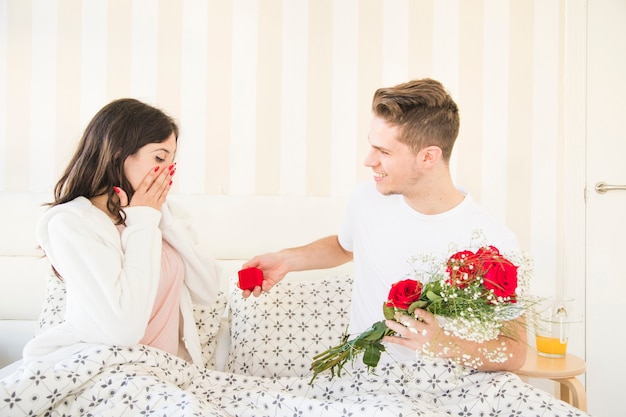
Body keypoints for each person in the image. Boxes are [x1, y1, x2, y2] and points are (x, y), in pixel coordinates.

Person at [242, 78, 527, 371]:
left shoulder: (492, 240)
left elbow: (516, 353)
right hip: (366, 386)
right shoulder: (367, 200)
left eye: (385, 152)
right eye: (372, 147)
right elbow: (344, 246)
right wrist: (286, 260)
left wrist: (442, 343)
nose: (368, 161)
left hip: (445, 391)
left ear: (428, 156)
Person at [23, 98, 221, 365]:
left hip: (167, 373)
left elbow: (207, 290)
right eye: (159, 158)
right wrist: (143, 224)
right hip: (105, 370)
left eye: (171, 161)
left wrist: (160, 217)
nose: (167, 172)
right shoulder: (71, 223)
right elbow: (124, 328)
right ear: (118, 153)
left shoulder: (163, 215)